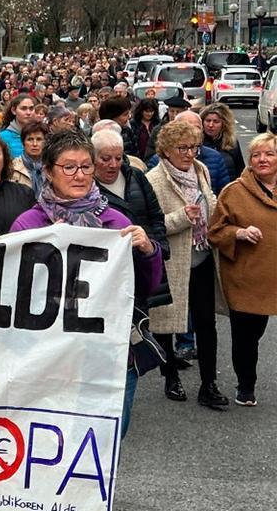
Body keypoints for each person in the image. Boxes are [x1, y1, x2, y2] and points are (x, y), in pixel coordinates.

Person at [8, 129, 162, 511]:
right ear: (47, 173)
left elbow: (146, 287)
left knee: (104, 453)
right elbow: (8, 293)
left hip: (113, 358)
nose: (79, 175)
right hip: (54, 362)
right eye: (68, 167)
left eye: (85, 166)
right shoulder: (28, 224)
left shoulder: (116, 220)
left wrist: (147, 249)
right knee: (67, 455)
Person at [146, 121, 228, 408]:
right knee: (167, 324)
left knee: (206, 323)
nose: (189, 154)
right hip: (172, 262)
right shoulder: (154, 180)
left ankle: (209, 384)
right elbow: (151, 226)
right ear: (166, 150)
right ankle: (170, 376)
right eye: (182, 148)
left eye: (194, 147)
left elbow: (212, 203)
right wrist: (181, 217)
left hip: (202, 256)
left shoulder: (201, 170)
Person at [209, 133, 277, 406]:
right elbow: (215, 232)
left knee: (256, 330)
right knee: (246, 335)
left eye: (269, 154)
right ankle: (245, 385)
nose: (263, 160)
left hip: (273, 274)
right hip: (245, 277)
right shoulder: (234, 192)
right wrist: (237, 233)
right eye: (257, 155)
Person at [90, 128, 168, 259]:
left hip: (148, 257)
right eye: (106, 159)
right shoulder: (87, 189)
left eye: (118, 158)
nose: (113, 164)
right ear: (93, 158)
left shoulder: (136, 175)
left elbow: (156, 217)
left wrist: (157, 249)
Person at [200, 103, 244, 182]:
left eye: (216, 122)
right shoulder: (198, 143)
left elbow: (240, 170)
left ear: (224, 124)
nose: (210, 125)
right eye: (208, 121)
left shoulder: (231, 143)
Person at [9, 121, 47, 196]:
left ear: (45, 142)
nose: (35, 144)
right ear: (23, 143)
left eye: (39, 139)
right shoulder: (12, 167)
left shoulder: (52, 167)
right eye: (30, 139)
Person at [0, 94, 36, 159]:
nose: (28, 112)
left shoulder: (41, 135)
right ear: (13, 110)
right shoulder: (2, 138)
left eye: (31, 108)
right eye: (24, 109)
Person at [127, 98, 161, 163]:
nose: (149, 114)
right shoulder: (133, 124)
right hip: (138, 159)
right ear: (141, 111)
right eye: (146, 111)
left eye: (151, 111)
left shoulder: (158, 124)